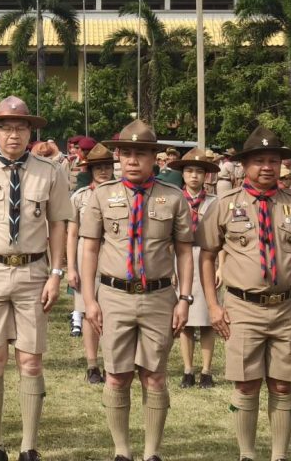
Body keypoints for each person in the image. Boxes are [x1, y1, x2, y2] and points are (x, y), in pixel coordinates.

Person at [196, 126, 291, 461]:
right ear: (244, 165)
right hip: (243, 307)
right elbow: (207, 255)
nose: (267, 167)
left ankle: (279, 456)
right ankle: (247, 454)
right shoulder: (225, 204)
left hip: (287, 307)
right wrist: (213, 305)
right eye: (259, 160)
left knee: (282, 384)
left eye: (273, 161)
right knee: (246, 383)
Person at [0, 96, 71, 461]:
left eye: (21, 127)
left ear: (30, 132)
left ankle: (28, 446)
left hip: (33, 273)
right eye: (6, 127)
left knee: (31, 361)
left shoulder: (50, 172)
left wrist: (56, 274)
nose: (13, 135)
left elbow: (58, 225)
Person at [80, 119, 194, 461]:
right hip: (114, 296)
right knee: (117, 375)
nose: (132, 160)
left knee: (155, 376)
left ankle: (152, 452)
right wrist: (89, 299)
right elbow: (89, 249)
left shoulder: (173, 197)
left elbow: (184, 252)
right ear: (118, 156)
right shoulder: (102, 195)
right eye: (126, 153)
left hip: (158, 297)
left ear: (154, 158)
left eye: (140, 153)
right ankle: (122, 451)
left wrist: (185, 299)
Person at [167, 148, 220, 389]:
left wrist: (222, 267)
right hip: (182, 258)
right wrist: (170, 269)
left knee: (208, 319)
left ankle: (206, 370)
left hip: (209, 258)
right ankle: (188, 369)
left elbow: (223, 237)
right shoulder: (175, 199)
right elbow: (167, 237)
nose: (194, 176)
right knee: (185, 319)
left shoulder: (215, 202)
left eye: (199, 171)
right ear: (183, 174)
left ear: (206, 175)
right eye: (189, 171)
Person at [67, 142, 115, 385]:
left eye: (107, 166)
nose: (103, 171)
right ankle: (92, 365)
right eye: (98, 167)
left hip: (113, 256)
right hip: (85, 257)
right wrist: (70, 268)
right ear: (91, 170)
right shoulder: (80, 197)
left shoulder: (121, 194)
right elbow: (71, 234)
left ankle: (111, 364)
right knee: (87, 311)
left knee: (112, 313)